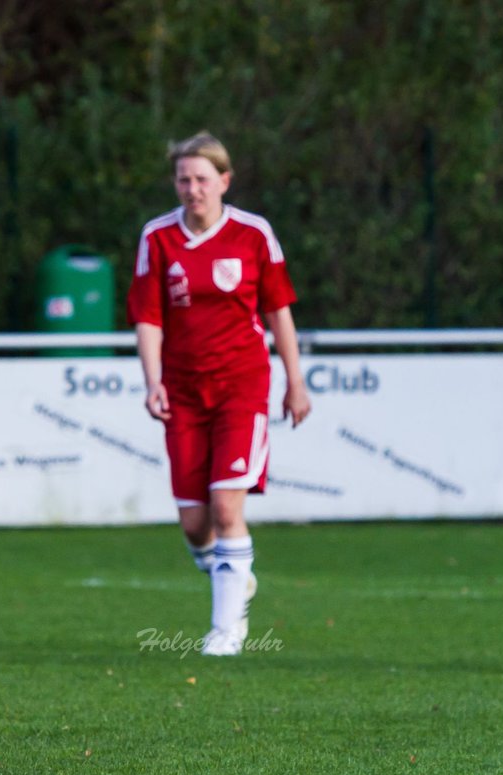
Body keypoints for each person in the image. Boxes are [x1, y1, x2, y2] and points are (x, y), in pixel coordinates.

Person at [126, 131, 311, 656]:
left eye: (202, 179)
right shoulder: (157, 237)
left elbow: (278, 311)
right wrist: (153, 380)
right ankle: (235, 575)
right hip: (183, 390)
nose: (192, 189)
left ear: (224, 181)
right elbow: (147, 315)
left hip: (242, 385)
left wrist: (295, 381)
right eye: (183, 179)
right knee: (194, 523)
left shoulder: (254, 234)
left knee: (227, 508)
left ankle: (226, 630)